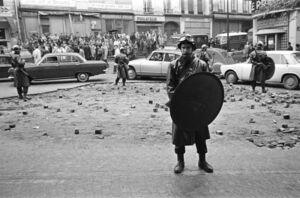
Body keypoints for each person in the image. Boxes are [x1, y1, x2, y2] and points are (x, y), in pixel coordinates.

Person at [166, 36, 213, 174]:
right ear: (180, 49)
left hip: (197, 106)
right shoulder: (173, 65)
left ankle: (202, 160)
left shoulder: (201, 65)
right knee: (179, 136)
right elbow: (170, 86)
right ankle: (180, 161)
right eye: (183, 48)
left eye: (188, 48)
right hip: (180, 106)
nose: (185, 50)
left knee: (200, 134)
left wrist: (202, 101)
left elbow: (207, 85)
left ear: (193, 49)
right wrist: (179, 100)